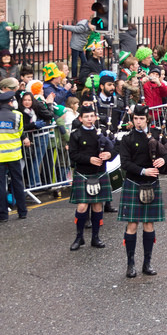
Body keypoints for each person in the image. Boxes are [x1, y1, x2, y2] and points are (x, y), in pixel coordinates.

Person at [118, 104, 167, 278]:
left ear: (147, 119)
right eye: (135, 118)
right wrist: (143, 171)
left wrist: (163, 159)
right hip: (133, 182)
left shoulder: (157, 134)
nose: (138, 122)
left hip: (151, 184)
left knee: (149, 225)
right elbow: (125, 163)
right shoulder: (127, 139)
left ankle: (147, 263)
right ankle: (130, 264)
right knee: (132, 225)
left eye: (141, 119)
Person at [67, 105, 114, 250]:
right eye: (86, 116)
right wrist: (89, 159)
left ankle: (96, 237)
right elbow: (73, 155)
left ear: (95, 117)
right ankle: (79, 237)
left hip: (99, 172)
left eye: (91, 116)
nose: (89, 119)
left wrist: (109, 154)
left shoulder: (101, 133)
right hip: (83, 172)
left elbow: (112, 148)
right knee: (82, 207)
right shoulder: (75, 135)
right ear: (80, 118)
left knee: (97, 206)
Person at [0, 91, 29, 223]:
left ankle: (3, 214)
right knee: (18, 183)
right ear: (11, 102)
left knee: (0, 186)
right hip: (14, 154)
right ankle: (22, 212)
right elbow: (20, 131)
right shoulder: (18, 116)